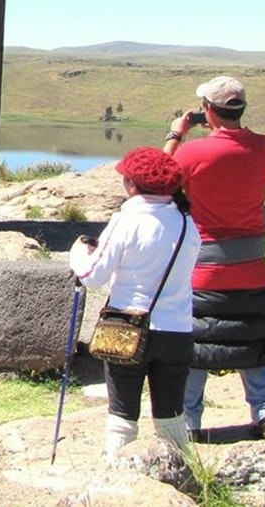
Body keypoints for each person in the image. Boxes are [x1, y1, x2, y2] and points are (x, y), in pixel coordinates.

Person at [163, 75, 265, 440]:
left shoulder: (194, 153)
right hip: (253, 268)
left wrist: (176, 134)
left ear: (208, 110)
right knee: (252, 339)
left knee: (196, 346)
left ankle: (188, 422)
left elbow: (156, 179)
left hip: (204, 271)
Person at [71, 147, 201, 463]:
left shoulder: (126, 220)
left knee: (122, 414)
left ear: (131, 185)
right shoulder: (187, 223)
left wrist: (78, 253)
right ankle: (182, 473)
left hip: (127, 327)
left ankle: (117, 470)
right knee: (171, 416)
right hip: (177, 331)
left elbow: (92, 276)